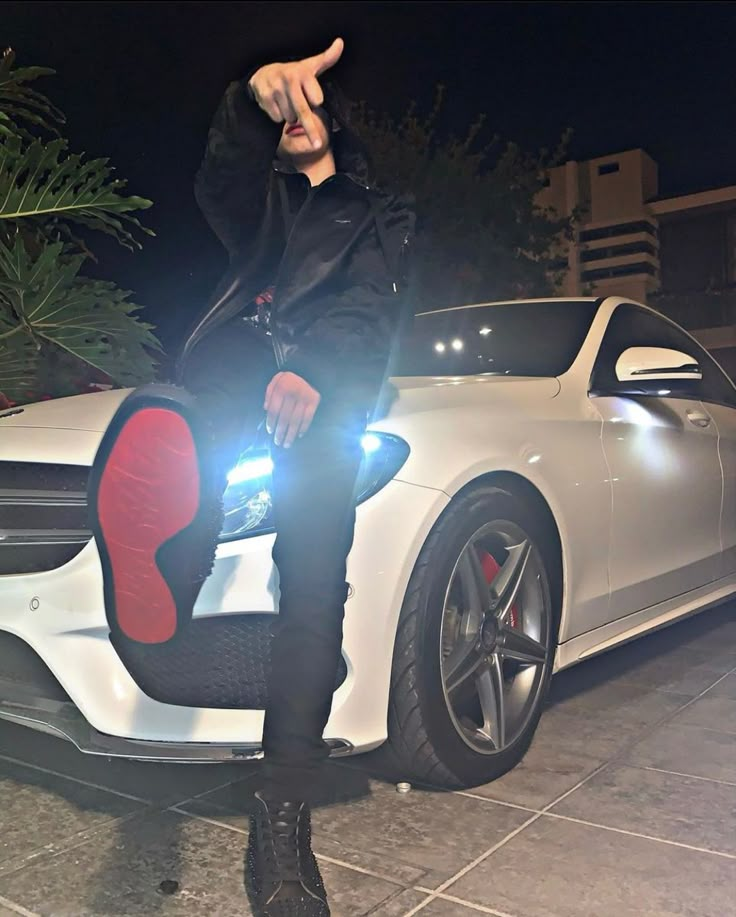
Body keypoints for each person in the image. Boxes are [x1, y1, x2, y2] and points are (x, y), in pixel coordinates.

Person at [87, 37, 414, 917]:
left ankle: (283, 813)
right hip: (236, 373)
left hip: (328, 402)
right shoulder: (256, 202)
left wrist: (315, 368)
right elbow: (217, 179)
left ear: (339, 127)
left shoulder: (376, 213)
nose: (298, 122)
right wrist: (248, 98)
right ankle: (160, 582)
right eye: (288, 115)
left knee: (315, 585)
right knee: (182, 430)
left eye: (312, 109)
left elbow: (374, 306)